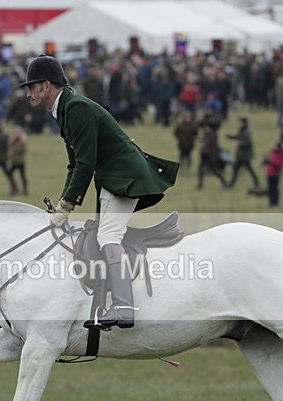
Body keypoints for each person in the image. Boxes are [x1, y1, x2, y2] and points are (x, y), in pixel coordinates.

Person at [21, 55, 178, 330]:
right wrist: (62, 204)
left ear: (46, 85)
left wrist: (67, 205)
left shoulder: (77, 108)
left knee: (108, 235)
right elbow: (75, 164)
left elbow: (85, 163)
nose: (27, 93)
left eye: (31, 86)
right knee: (101, 233)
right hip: (112, 178)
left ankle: (124, 306)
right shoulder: (66, 108)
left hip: (124, 177)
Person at [227, 116, 260, 189]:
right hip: (241, 155)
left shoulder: (247, 132)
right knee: (236, 169)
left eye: (240, 122)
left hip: (245, 155)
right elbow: (237, 137)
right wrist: (229, 136)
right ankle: (231, 183)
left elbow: (248, 142)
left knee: (249, 169)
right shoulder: (242, 130)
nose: (239, 124)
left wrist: (239, 144)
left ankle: (257, 182)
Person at [264, 140, 283, 207]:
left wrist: (270, 161)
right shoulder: (272, 152)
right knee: (270, 188)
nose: (275, 147)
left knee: (275, 188)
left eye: (276, 146)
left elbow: (279, 163)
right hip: (270, 173)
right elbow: (270, 159)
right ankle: (271, 202)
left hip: (276, 174)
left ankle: (275, 202)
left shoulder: (281, 153)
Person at [8, 126, 28, 195]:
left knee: (22, 176)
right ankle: (14, 189)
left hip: (20, 162)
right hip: (14, 161)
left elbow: (23, 150)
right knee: (10, 175)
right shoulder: (13, 141)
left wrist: (14, 148)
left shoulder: (21, 141)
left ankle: (25, 191)